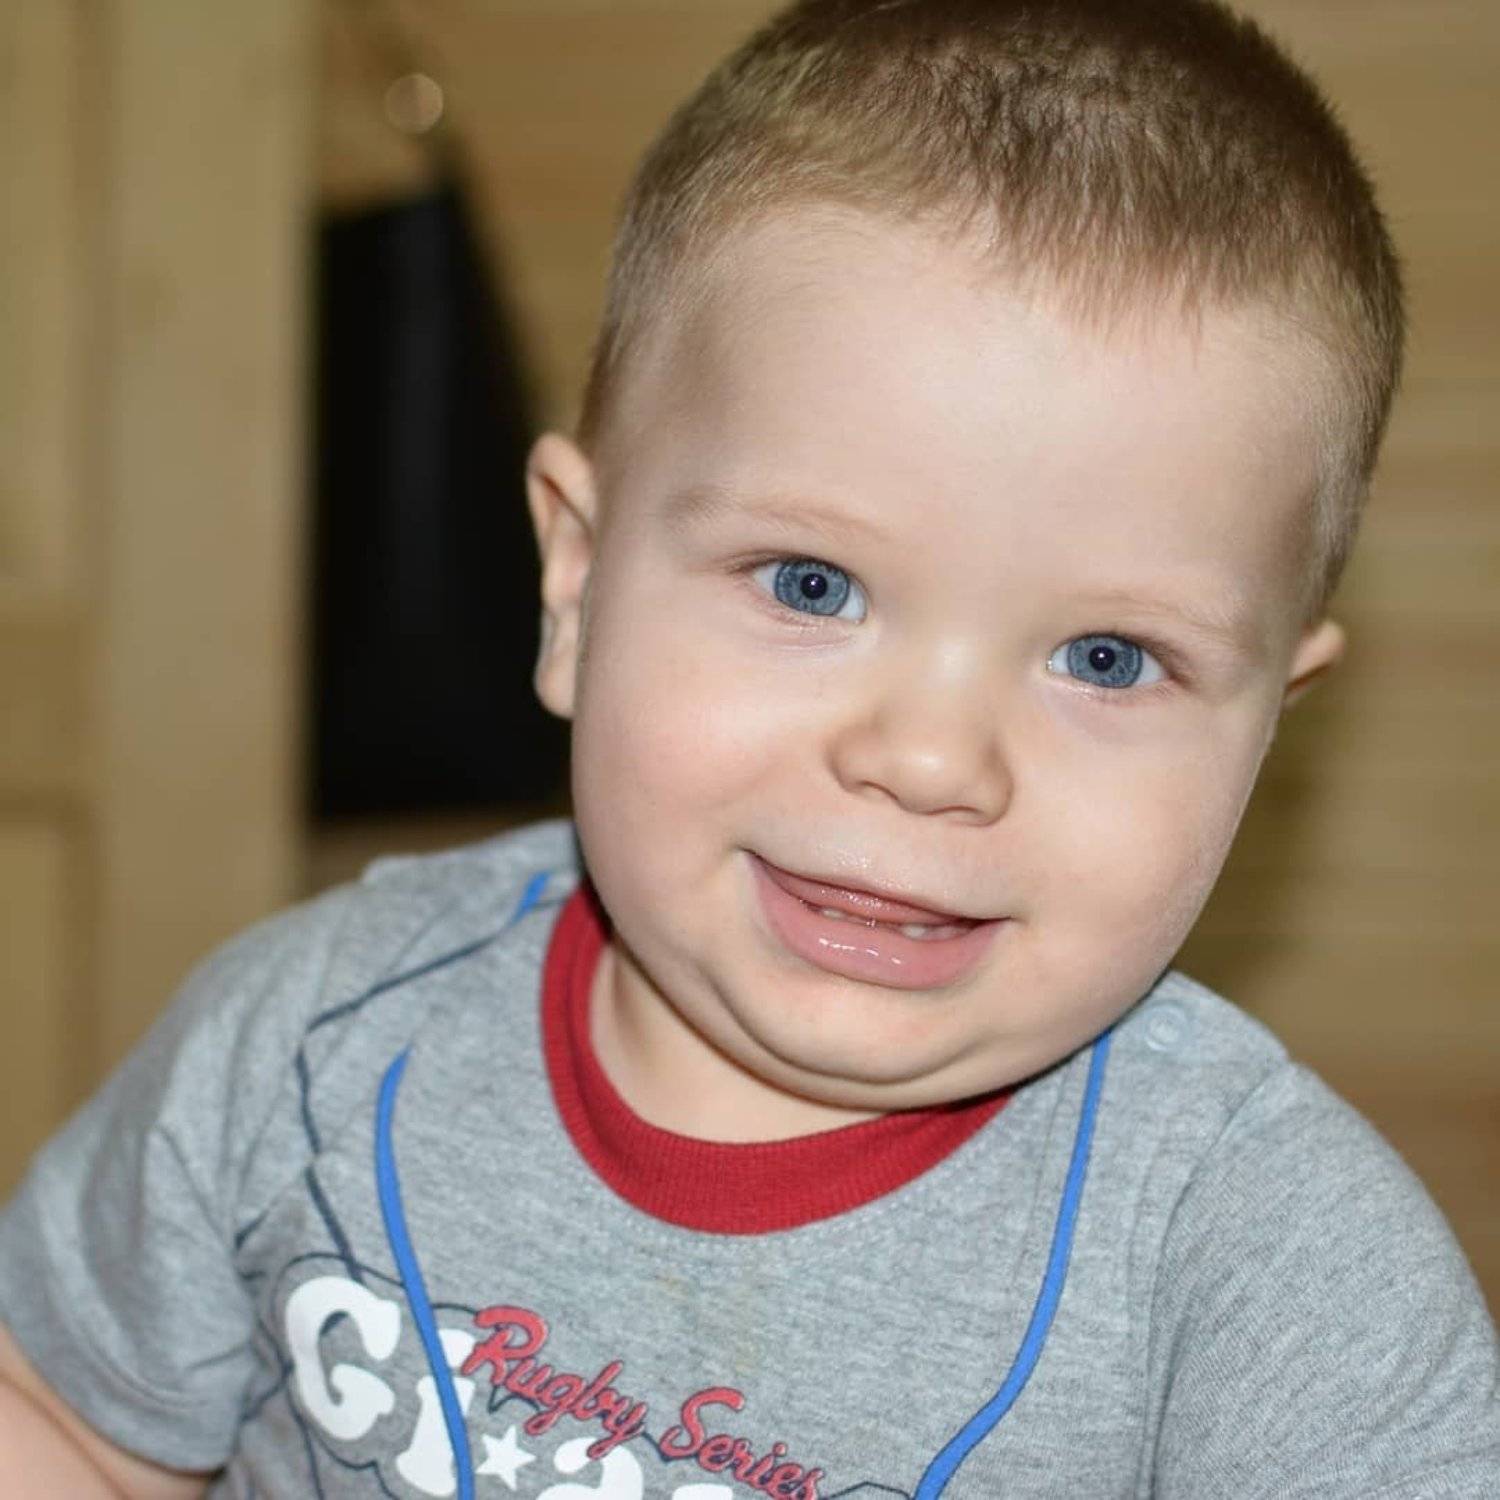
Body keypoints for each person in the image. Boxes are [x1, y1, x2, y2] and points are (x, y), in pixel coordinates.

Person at [2, 0, 1496, 1494]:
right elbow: (67, 1428)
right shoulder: (309, 1038)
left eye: (1107, 658)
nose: (930, 761)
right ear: (576, 584)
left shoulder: (1276, 1284)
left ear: (1264, 726)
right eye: (810, 585)